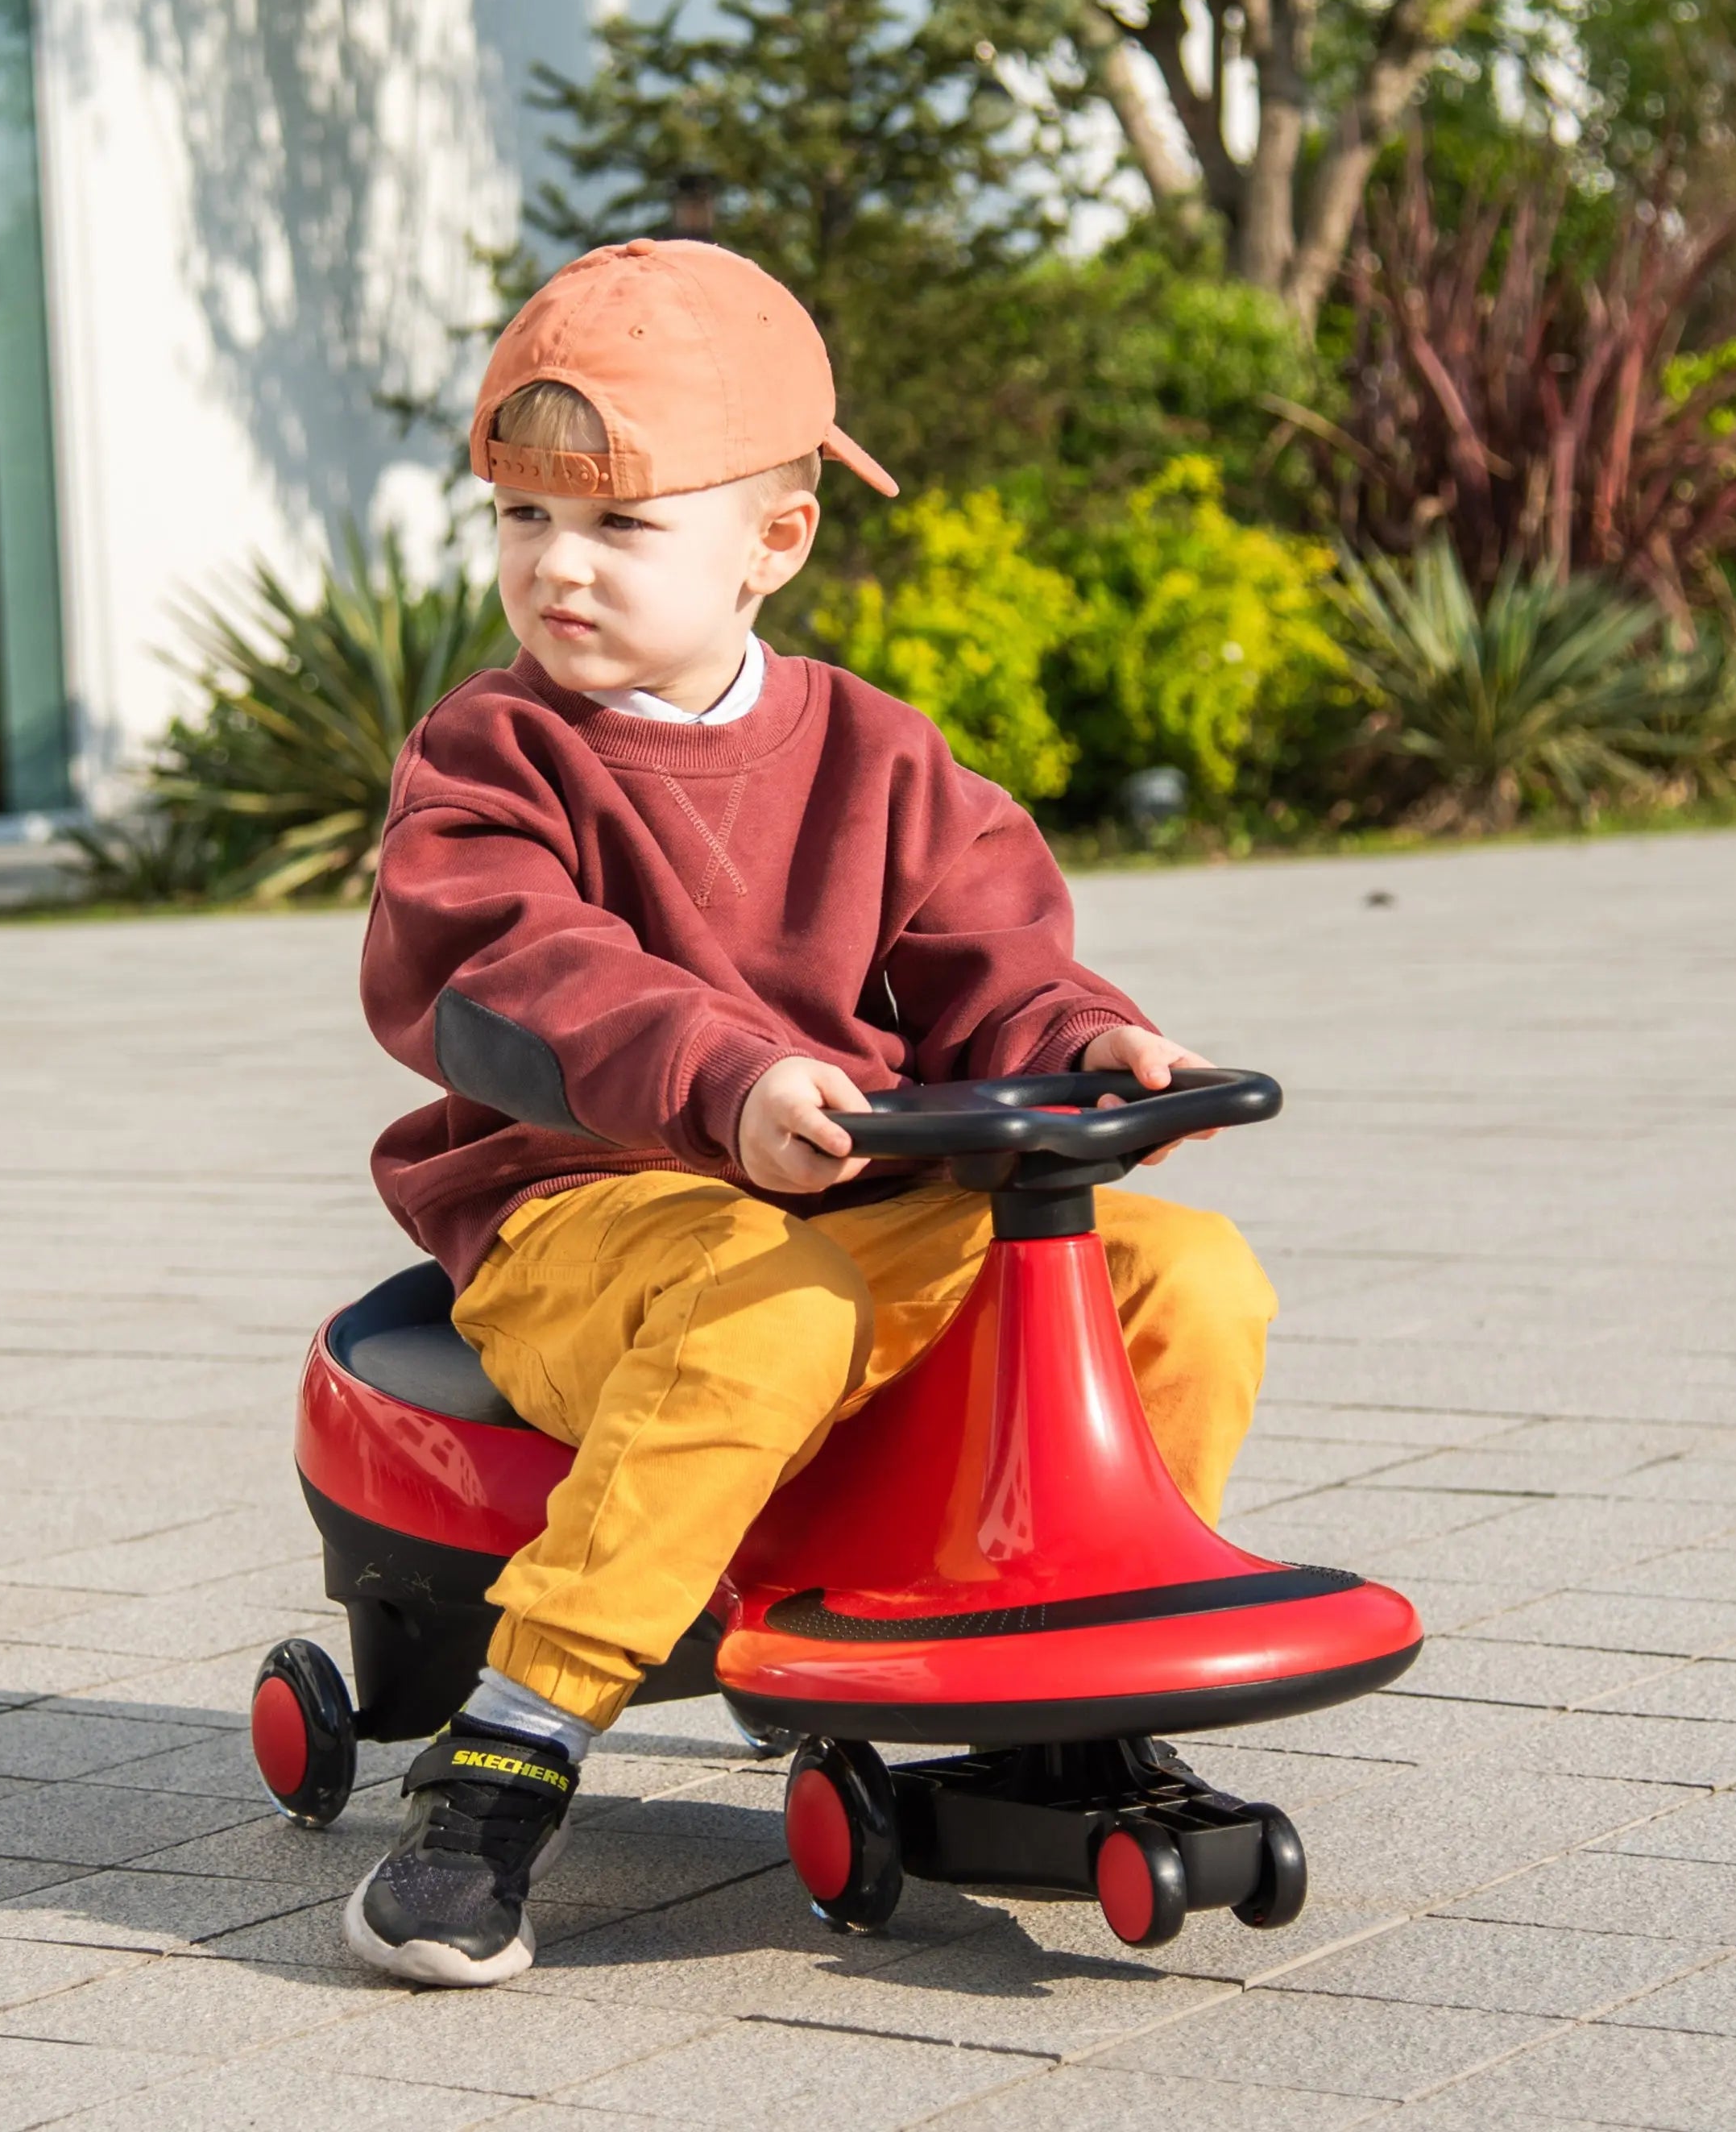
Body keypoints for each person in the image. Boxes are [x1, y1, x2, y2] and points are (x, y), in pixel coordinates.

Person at [346, 239, 1275, 1985]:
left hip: (853, 1204)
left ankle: (1058, 1692)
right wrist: (731, 1080)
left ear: (773, 544)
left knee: (1182, 1276)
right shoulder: (489, 762)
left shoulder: (880, 756)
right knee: (762, 1311)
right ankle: (506, 1755)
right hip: (585, 1210)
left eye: (620, 528)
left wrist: (1088, 1050)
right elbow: (518, 969)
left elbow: (989, 950)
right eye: (521, 515)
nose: (556, 566)